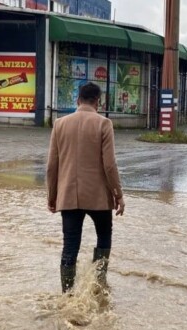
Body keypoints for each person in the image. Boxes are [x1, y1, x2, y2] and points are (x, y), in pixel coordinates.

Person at [47, 82, 125, 294]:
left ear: (78, 100)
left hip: (69, 196)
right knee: (104, 236)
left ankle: (67, 294)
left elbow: (52, 166)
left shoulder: (60, 124)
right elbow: (109, 165)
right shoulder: (104, 124)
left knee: (70, 246)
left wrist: (52, 195)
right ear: (97, 102)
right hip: (99, 197)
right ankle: (98, 286)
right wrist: (118, 194)